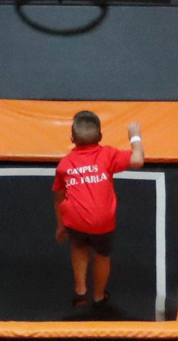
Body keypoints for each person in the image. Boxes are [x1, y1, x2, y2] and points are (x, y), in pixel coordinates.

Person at [54, 110, 145, 311]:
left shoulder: (64, 164)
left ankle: (80, 289)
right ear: (101, 137)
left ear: (71, 139)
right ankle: (98, 296)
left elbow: (59, 198)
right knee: (102, 255)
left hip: (75, 220)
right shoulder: (108, 155)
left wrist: (61, 225)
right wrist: (135, 137)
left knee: (78, 247)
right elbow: (138, 159)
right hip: (102, 222)